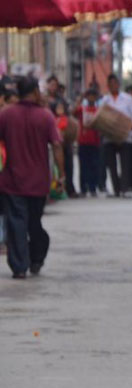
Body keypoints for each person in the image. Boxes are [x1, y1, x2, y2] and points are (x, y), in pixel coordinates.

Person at [0, 76, 64, 278]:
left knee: (16, 222)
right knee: (34, 222)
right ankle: (36, 257)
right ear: (36, 91)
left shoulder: (6, 115)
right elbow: (57, 145)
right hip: (38, 181)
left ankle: (19, 267)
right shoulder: (45, 116)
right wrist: (61, 175)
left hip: (11, 180)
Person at [101, 74, 132, 198]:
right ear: (108, 85)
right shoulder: (105, 100)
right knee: (112, 165)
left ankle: (124, 189)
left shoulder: (127, 99)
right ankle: (116, 189)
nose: (113, 86)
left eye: (115, 83)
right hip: (109, 137)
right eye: (111, 84)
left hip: (125, 135)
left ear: (119, 84)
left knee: (125, 163)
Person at [74, 87, 101, 197]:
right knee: (83, 166)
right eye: (89, 96)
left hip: (95, 142)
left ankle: (93, 187)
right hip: (83, 141)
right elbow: (73, 112)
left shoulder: (99, 110)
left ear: (96, 98)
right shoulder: (82, 109)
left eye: (93, 96)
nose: (91, 98)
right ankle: (83, 188)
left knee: (94, 166)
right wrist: (79, 99)